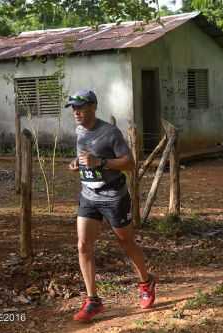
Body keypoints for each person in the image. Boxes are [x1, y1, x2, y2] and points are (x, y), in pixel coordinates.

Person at [66, 89, 157, 322]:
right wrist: (78, 164)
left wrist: (101, 162)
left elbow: (130, 163)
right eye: (73, 108)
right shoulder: (79, 131)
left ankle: (146, 283)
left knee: (125, 242)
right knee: (83, 245)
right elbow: (87, 159)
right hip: (89, 196)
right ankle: (93, 301)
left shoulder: (110, 132)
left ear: (93, 107)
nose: (76, 112)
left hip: (114, 196)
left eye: (81, 107)